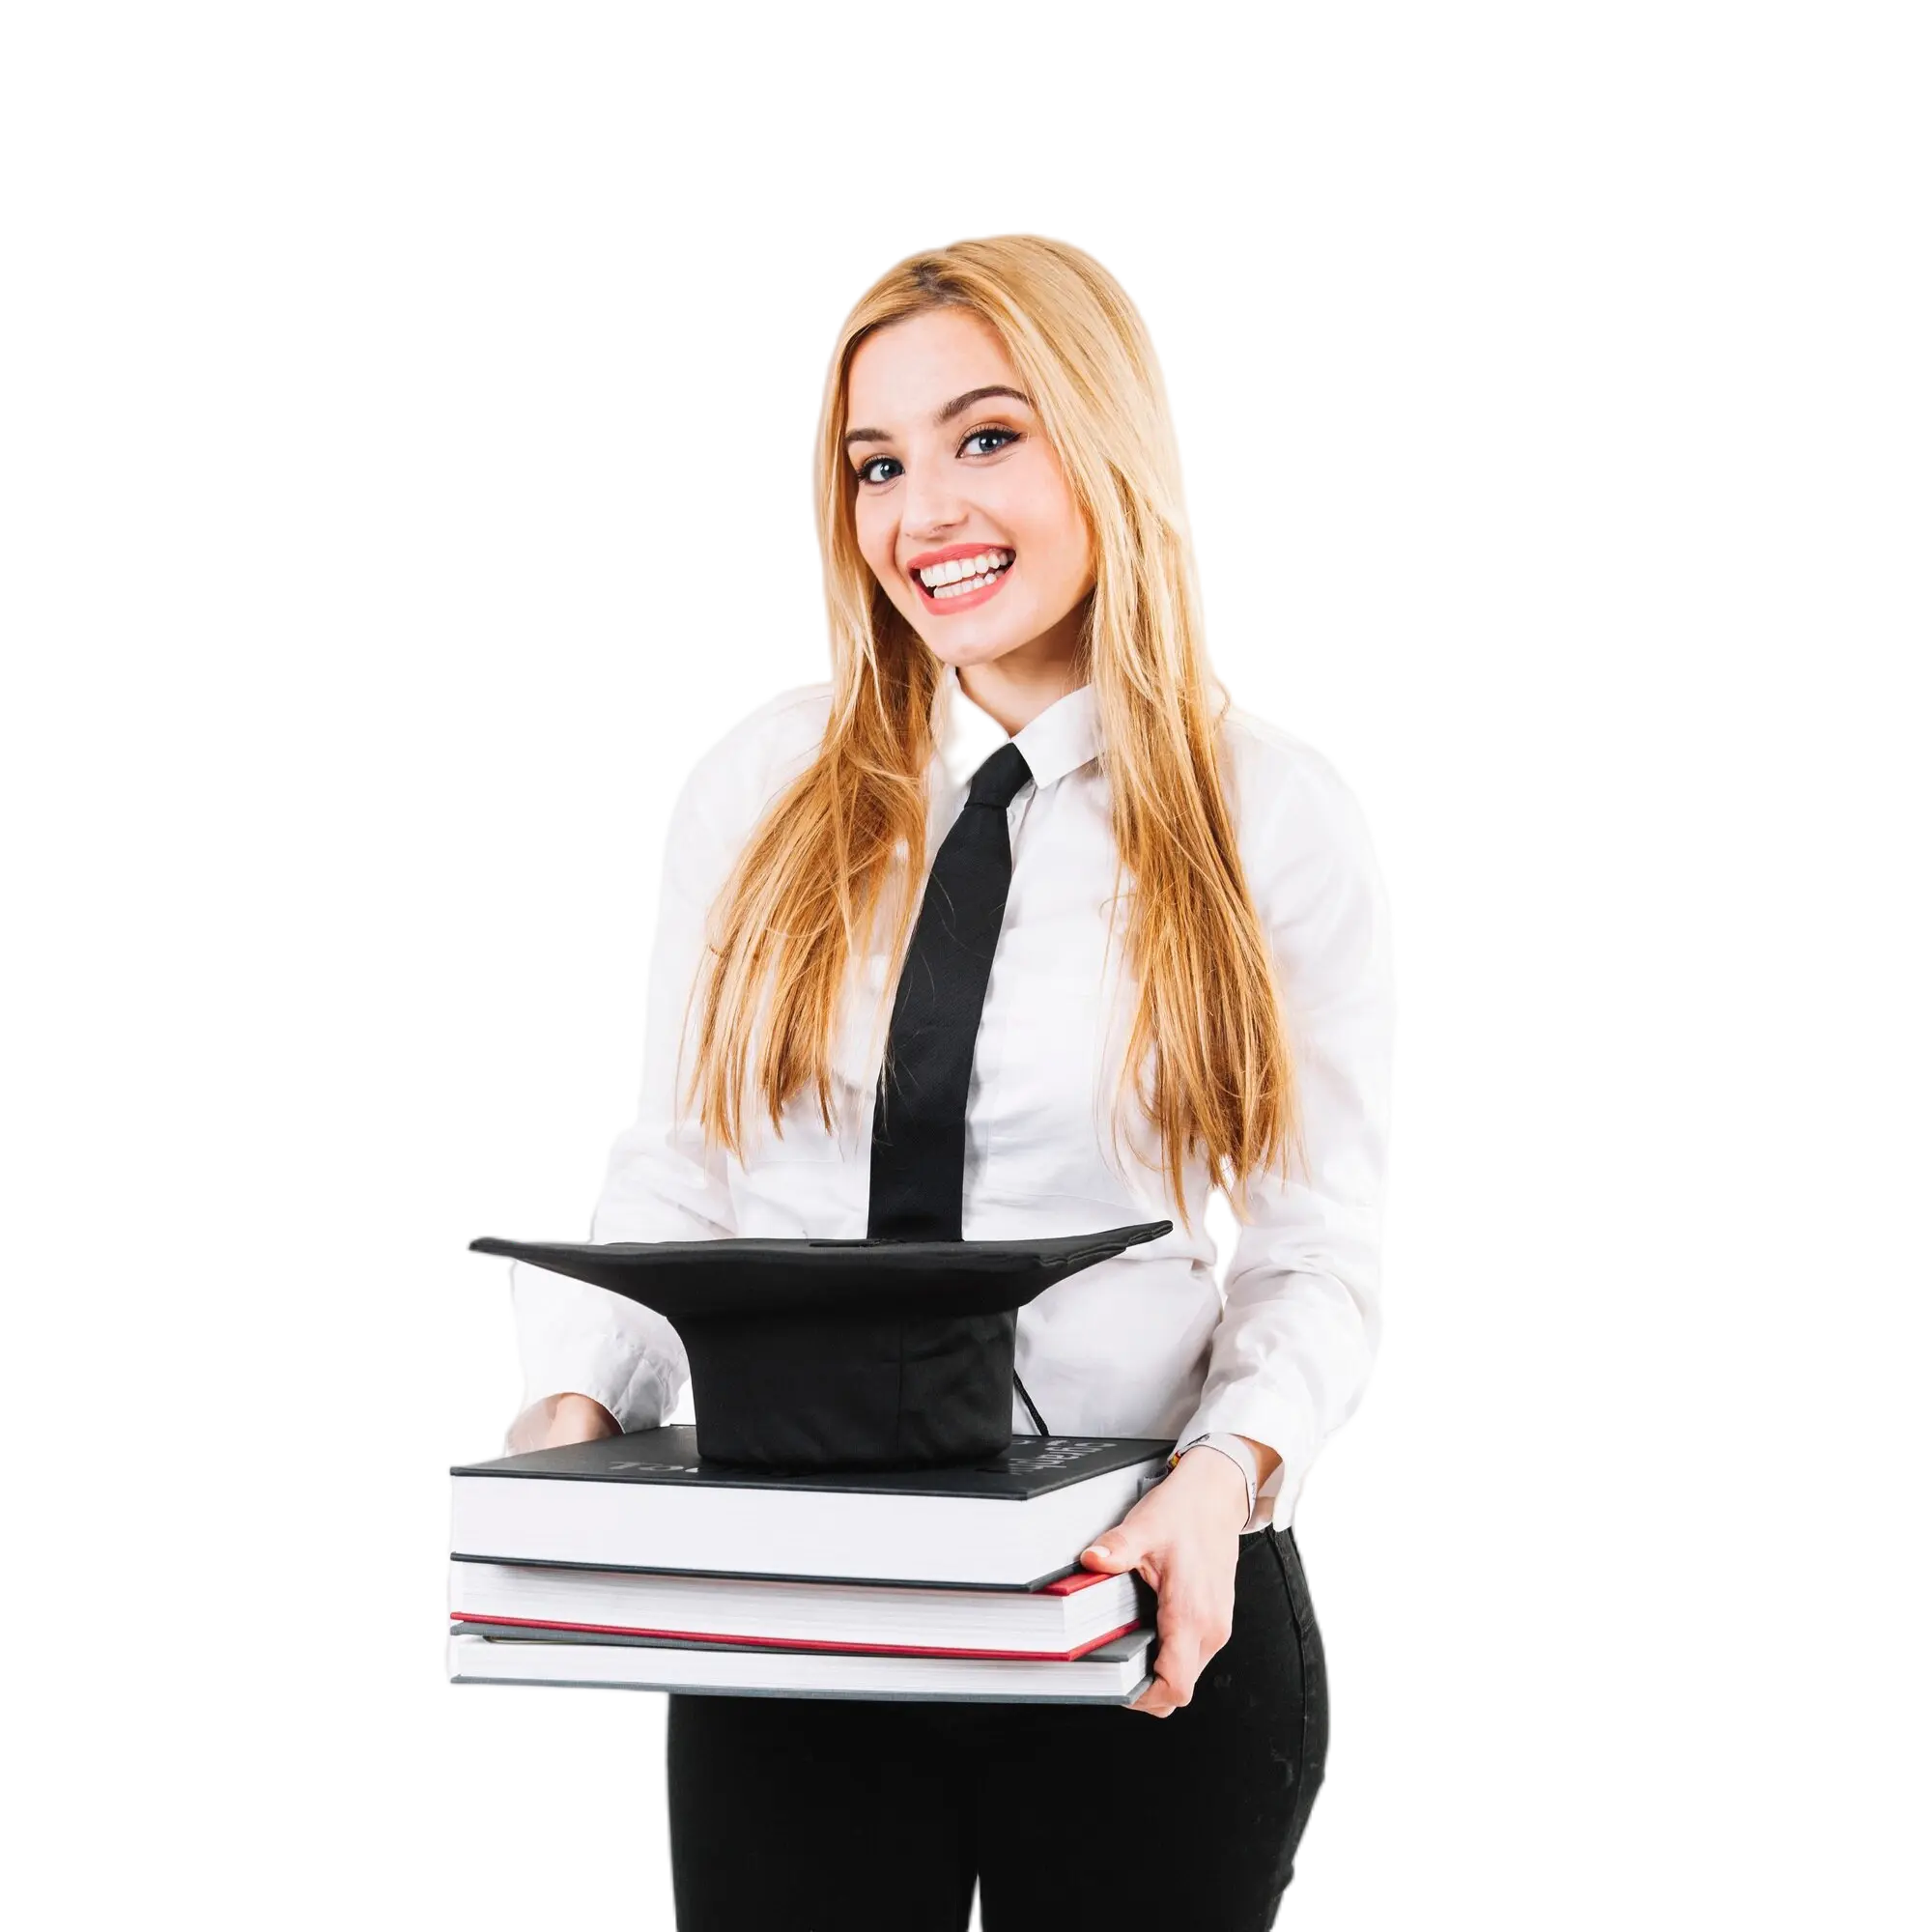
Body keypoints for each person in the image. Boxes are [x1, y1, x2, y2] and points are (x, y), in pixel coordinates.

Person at [505, 232, 1397, 1930]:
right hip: (789, 1607)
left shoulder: (1273, 813)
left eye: (990, 436)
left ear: (1106, 442)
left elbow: (1317, 1252)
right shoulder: (763, 777)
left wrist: (1221, 1488)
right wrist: (574, 1420)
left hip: (1135, 1604)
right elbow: (680, 1163)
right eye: (878, 462)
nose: (926, 514)